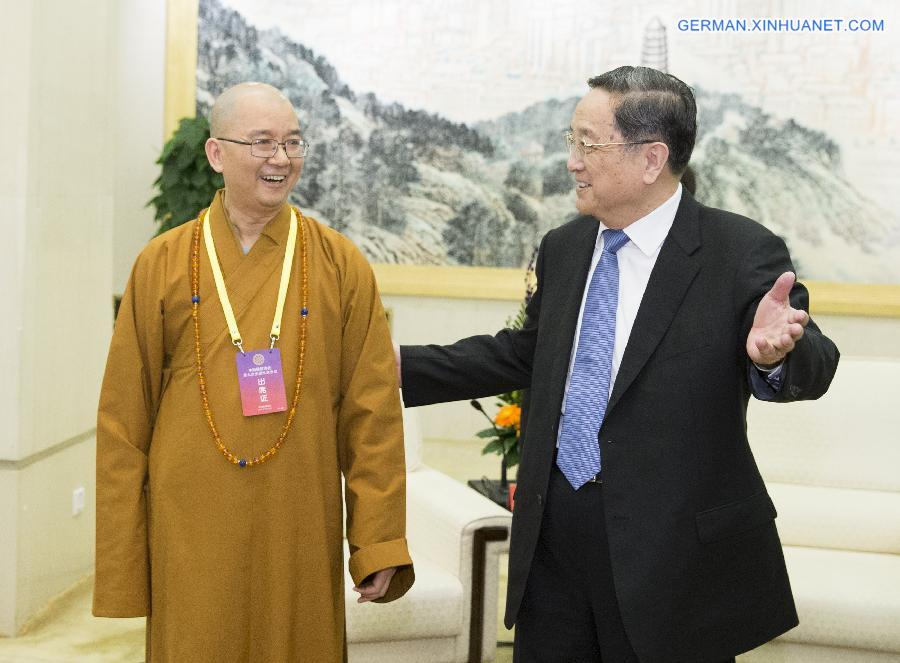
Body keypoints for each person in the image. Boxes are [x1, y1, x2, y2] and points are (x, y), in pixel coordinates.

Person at [398, 66, 839, 662]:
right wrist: (385, 369)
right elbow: (526, 353)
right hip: (553, 537)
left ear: (651, 159)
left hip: (672, 556)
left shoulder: (739, 251)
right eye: (571, 141)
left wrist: (777, 354)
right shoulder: (566, 245)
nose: (573, 161)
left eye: (589, 143)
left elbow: (815, 360)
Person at [93, 82, 414, 662]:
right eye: (262, 142)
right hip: (189, 520)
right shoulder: (162, 263)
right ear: (217, 154)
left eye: (293, 143)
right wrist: (124, 556)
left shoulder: (340, 263)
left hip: (299, 515)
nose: (281, 158)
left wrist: (378, 540)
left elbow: (373, 414)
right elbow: (123, 420)